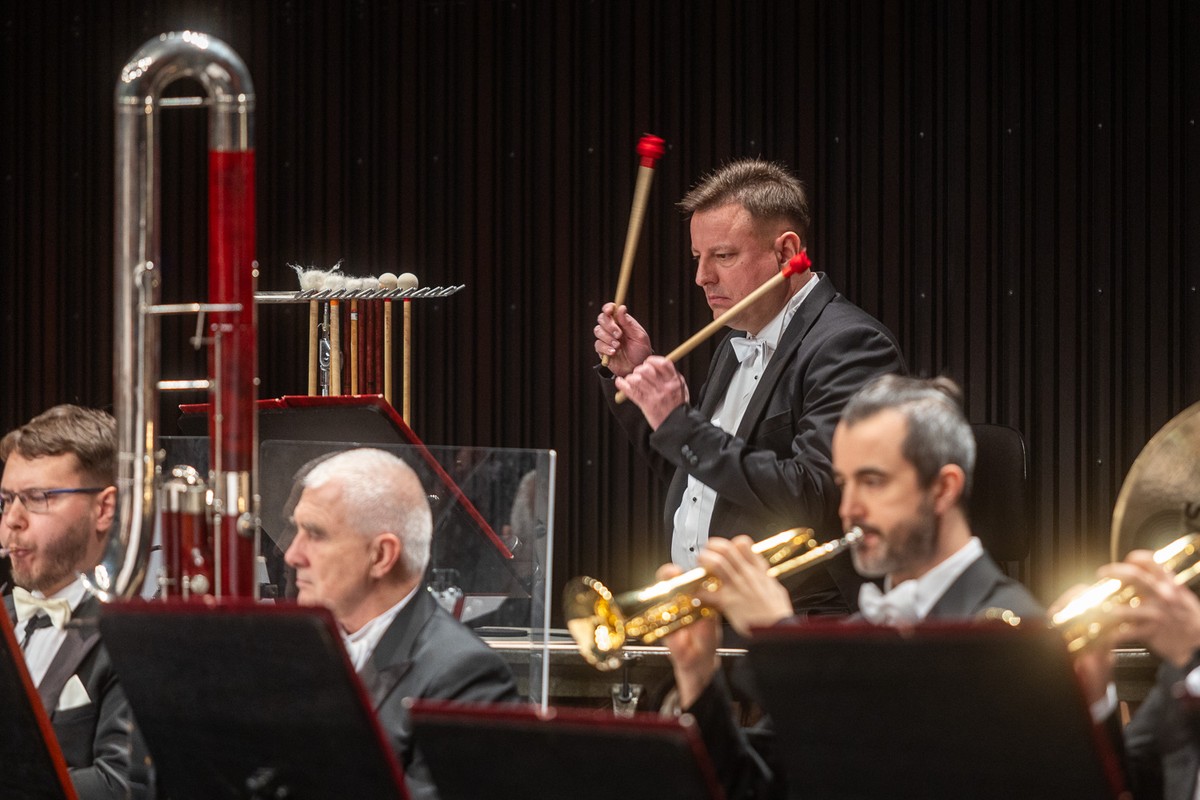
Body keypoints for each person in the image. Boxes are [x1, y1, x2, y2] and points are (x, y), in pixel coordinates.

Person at [661, 375, 1042, 799]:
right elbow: (758, 789)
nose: (847, 510)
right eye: (844, 484)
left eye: (873, 482)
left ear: (943, 489)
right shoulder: (864, 628)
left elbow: (891, 773)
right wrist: (698, 676)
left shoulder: (1009, 626)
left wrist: (779, 636)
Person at [594, 158, 906, 615]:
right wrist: (635, 379)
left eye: (723, 256)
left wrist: (681, 424)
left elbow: (817, 497)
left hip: (801, 626)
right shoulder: (737, 341)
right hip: (707, 615)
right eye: (698, 258)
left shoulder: (850, 345)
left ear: (785, 252)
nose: (702, 277)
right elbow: (700, 473)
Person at [283, 447, 519, 800]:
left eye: (315, 534)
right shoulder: (295, 649)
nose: (291, 554)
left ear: (381, 556)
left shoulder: (465, 675)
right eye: (296, 530)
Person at [0, 404, 148, 799]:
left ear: (103, 508)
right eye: (6, 499)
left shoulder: (136, 635)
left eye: (37, 498)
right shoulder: (4, 611)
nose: (12, 520)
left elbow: (121, 785)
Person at [1063, 548, 1200, 799]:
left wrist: (1192, 657)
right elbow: (1125, 780)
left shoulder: (1189, 660)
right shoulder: (1176, 675)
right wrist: (1096, 700)